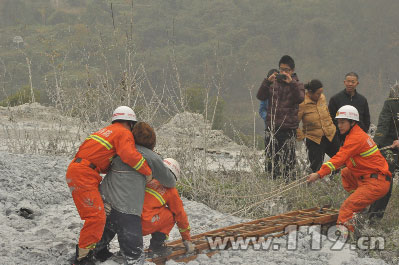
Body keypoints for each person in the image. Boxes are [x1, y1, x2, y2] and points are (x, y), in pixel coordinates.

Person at [66, 106, 153, 265]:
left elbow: (100, 159)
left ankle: (98, 251)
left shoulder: (105, 131)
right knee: (96, 216)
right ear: (131, 123)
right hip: (84, 174)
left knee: (100, 213)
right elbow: (129, 156)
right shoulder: (124, 132)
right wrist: (147, 171)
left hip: (80, 171)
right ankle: (82, 258)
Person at [93, 122, 176, 265]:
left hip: (103, 200)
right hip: (127, 208)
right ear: (152, 142)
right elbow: (170, 181)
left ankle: (94, 253)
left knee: (104, 232)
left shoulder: (120, 150)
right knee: (134, 255)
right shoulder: (151, 156)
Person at [307, 105, 391, 236]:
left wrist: (319, 174)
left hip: (376, 182)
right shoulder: (353, 134)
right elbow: (344, 159)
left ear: (352, 122)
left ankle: (345, 240)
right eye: (338, 122)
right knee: (346, 173)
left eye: (343, 122)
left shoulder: (355, 137)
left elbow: (339, 158)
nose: (339, 125)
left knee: (347, 208)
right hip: (372, 179)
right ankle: (359, 207)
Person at [256, 55, 305, 179]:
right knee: (270, 161)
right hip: (272, 129)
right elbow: (260, 96)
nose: (283, 72)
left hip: (288, 129)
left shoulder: (298, 84)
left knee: (288, 162)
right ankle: (271, 185)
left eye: (286, 70)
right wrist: (267, 81)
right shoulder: (273, 83)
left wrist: (291, 83)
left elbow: (300, 99)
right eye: (281, 69)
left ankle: (288, 187)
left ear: (292, 71)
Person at [142, 157, 195, 258]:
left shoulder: (147, 179)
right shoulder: (171, 190)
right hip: (144, 224)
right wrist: (186, 239)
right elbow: (180, 215)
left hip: (128, 223)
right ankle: (156, 247)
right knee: (171, 215)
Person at [368, 83, 399, 220]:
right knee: (385, 180)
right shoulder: (391, 102)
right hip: (389, 146)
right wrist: (375, 146)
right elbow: (383, 125)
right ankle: (374, 218)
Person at [297, 79, 340, 172]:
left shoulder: (322, 98)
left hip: (330, 135)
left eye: (321, 93)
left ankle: (336, 183)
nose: (320, 95)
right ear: (310, 92)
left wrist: (332, 127)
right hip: (314, 139)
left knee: (340, 161)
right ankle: (314, 185)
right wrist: (302, 137)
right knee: (315, 167)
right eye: (317, 93)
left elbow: (327, 113)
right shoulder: (302, 103)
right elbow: (295, 122)